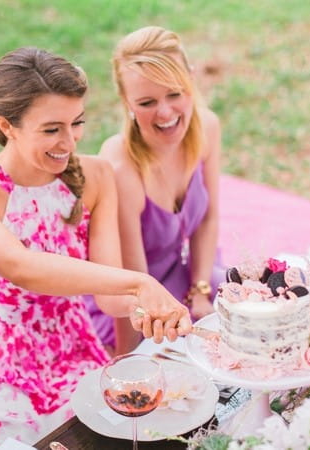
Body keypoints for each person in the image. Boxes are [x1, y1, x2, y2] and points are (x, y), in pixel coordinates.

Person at [0, 47, 193, 447]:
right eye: (52, 129)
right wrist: (139, 282)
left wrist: (151, 309)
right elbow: (19, 266)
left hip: (72, 350)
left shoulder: (97, 175)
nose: (69, 142)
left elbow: (110, 301)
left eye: (77, 123)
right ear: (7, 125)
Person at [95, 26, 226, 354]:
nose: (165, 113)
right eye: (147, 102)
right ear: (126, 101)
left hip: (189, 271)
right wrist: (129, 359)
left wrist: (199, 291)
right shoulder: (121, 168)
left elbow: (208, 217)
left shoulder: (206, 127)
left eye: (175, 93)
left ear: (191, 80)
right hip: (133, 298)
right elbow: (132, 284)